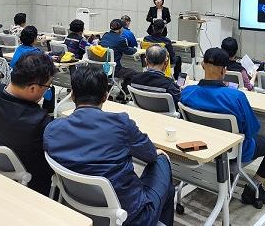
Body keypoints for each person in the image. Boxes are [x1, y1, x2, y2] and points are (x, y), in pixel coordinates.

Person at [44, 66, 175, 226]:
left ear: (72, 96)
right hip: (130, 216)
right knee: (162, 161)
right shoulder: (121, 124)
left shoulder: (52, 130)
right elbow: (150, 155)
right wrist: (157, 153)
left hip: (78, 209)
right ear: (105, 96)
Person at [181, 47, 265, 206]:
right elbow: (251, 131)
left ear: (202, 65)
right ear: (224, 70)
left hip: (202, 147)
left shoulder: (187, 92)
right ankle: (256, 186)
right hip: (237, 152)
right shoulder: (236, 97)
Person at [0, 53, 56, 196]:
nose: (46, 91)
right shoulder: (38, 121)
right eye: (47, 87)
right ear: (32, 88)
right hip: (31, 187)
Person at [99, 19, 137, 100]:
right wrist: (135, 49)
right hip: (114, 70)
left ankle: (107, 89)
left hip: (102, 68)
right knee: (133, 73)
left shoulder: (105, 36)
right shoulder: (121, 39)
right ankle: (122, 95)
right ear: (121, 29)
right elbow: (128, 51)